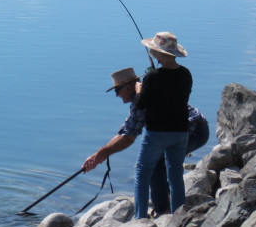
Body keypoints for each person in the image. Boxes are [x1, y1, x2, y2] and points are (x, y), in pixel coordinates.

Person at [82, 64, 208, 217]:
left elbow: (128, 138)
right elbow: (127, 130)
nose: (117, 96)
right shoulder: (147, 92)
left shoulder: (140, 100)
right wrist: (99, 155)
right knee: (164, 166)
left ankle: (162, 212)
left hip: (194, 130)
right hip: (192, 128)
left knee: (156, 164)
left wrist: (103, 154)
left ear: (128, 88)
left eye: (117, 91)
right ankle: (169, 208)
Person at [133, 32, 192, 219]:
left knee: (143, 173)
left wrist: (139, 89)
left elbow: (141, 104)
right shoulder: (185, 74)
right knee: (175, 175)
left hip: (157, 133)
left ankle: (140, 219)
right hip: (181, 132)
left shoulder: (152, 78)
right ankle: (178, 218)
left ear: (158, 54)